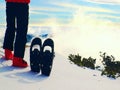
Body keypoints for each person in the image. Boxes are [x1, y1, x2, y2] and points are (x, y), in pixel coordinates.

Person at [3, 0, 30, 67]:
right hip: (22, 3)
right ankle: (18, 59)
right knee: (21, 30)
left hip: (9, 3)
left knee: (10, 27)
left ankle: (8, 53)